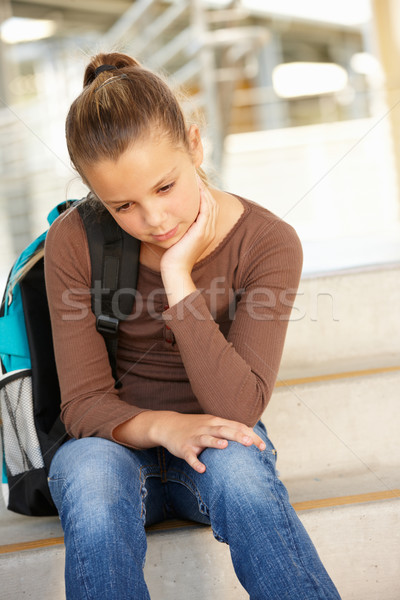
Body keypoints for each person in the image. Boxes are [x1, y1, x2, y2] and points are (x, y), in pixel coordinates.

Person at [44, 52, 341, 600]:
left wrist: (179, 279)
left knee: (244, 473)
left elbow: (237, 409)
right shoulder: (74, 239)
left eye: (164, 187)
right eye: (123, 205)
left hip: (215, 443)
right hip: (111, 447)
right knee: (89, 474)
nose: (154, 220)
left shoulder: (268, 243)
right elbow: (83, 405)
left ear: (195, 144)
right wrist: (164, 427)